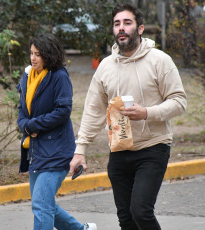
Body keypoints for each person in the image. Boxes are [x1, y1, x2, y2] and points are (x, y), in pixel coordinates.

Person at [70, 3, 187, 230]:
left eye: (127, 23)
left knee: (141, 212)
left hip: (153, 147)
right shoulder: (105, 66)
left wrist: (146, 113)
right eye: (117, 24)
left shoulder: (160, 61)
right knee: (126, 219)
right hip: (119, 150)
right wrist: (80, 151)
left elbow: (179, 102)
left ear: (140, 28)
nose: (121, 28)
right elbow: (93, 111)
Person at [17, 33, 97, 230]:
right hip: (36, 152)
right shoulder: (28, 77)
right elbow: (21, 113)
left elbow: (63, 111)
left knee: (41, 205)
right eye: (31, 53)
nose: (33, 58)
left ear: (49, 55)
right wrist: (26, 126)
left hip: (57, 151)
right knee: (45, 204)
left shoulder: (59, 76)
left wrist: (33, 125)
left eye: (38, 54)